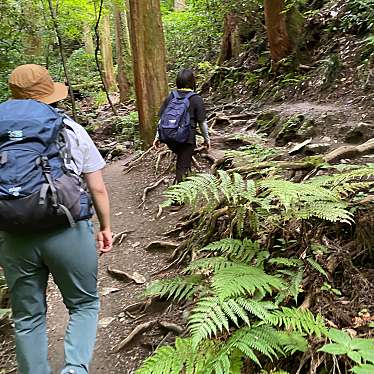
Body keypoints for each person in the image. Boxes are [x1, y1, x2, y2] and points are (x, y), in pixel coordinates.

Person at [0, 64, 112, 374]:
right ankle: (74, 369)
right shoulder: (67, 127)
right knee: (84, 304)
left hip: (13, 233)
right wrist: (105, 226)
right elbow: (97, 187)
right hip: (67, 227)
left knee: (27, 316)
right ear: (48, 93)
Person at [153, 69, 210, 183]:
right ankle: (176, 199)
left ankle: (185, 182)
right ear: (192, 82)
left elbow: (162, 120)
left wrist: (157, 137)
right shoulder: (196, 99)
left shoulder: (171, 96)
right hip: (187, 139)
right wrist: (207, 139)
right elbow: (202, 123)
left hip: (170, 138)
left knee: (183, 161)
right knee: (181, 167)